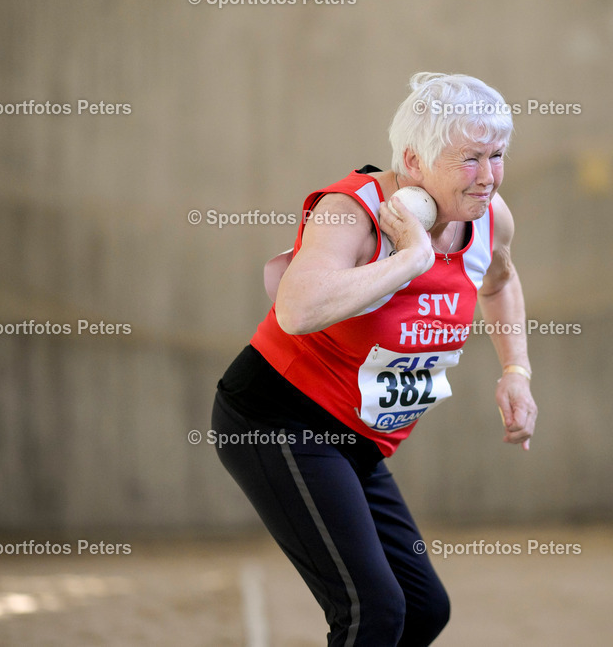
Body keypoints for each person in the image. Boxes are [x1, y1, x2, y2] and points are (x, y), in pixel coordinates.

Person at [211, 72, 537, 646]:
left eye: (497, 156)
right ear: (413, 159)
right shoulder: (350, 211)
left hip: (356, 441)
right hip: (279, 419)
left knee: (422, 610)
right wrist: (409, 261)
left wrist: (516, 371)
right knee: (374, 611)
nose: (487, 177)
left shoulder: (487, 215)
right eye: (469, 160)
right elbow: (296, 308)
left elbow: (500, 282)